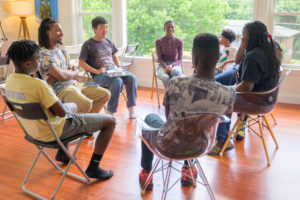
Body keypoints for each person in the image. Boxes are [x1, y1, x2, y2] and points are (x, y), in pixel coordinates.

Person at [6, 40, 116, 180]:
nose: (40, 62)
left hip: (33, 132)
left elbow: (56, 109)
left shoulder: (9, 81)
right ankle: (94, 168)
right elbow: (62, 113)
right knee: (111, 121)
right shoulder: (38, 85)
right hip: (55, 131)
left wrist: (52, 107)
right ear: (28, 63)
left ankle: (63, 153)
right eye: (38, 59)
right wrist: (55, 106)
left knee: (73, 106)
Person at [139, 33, 235, 190]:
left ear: (195, 60)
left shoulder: (175, 83)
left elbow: (169, 116)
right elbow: (224, 114)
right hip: (202, 145)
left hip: (168, 145)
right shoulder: (228, 93)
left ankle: (146, 172)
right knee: (196, 127)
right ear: (218, 59)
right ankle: (187, 169)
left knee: (150, 119)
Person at [209, 21, 281, 155]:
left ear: (253, 37)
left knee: (222, 99)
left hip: (255, 101)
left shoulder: (253, 57)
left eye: (244, 35)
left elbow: (246, 87)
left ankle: (222, 140)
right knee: (223, 85)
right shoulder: (268, 49)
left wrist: (227, 92)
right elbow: (238, 63)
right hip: (267, 99)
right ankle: (225, 133)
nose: (241, 38)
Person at [38, 17, 110, 114]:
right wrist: (69, 73)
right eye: (58, 31)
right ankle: (85, 123)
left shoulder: (62, 51)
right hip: (61, 90)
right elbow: (62, 76)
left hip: (74, 84)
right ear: (47, 32)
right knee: (86, 104)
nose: (62, 33)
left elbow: (72, 73)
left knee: (105, 94)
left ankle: (89, 122)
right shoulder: (44, 54)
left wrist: (68, 73)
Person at [79, 16, 137, 118]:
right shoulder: (88, 44)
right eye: (102, 27)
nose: (105, 30)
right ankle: (110, 111)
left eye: (106, 27)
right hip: (100, 75)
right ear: (94, 29)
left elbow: (114, 55)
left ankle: (131, 108)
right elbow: (81, 62)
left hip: (113, 70)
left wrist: (119, 66)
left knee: (132, 78)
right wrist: (96, 71)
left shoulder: (109, 41)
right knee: (117, 82)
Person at [155, 20, 183, 88]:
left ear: (174, 28)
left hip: (175, 65)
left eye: (172, 27)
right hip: (163, 65)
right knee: (165, 77)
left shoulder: (179, 41)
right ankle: (169, 95)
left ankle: (176, 93)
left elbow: (179, 59)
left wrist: (171, 66)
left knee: (175, 72)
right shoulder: (159, 41)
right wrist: (166, 66)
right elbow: (160, 58)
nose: (170, 29)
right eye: (168, 27)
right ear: (164, 29)